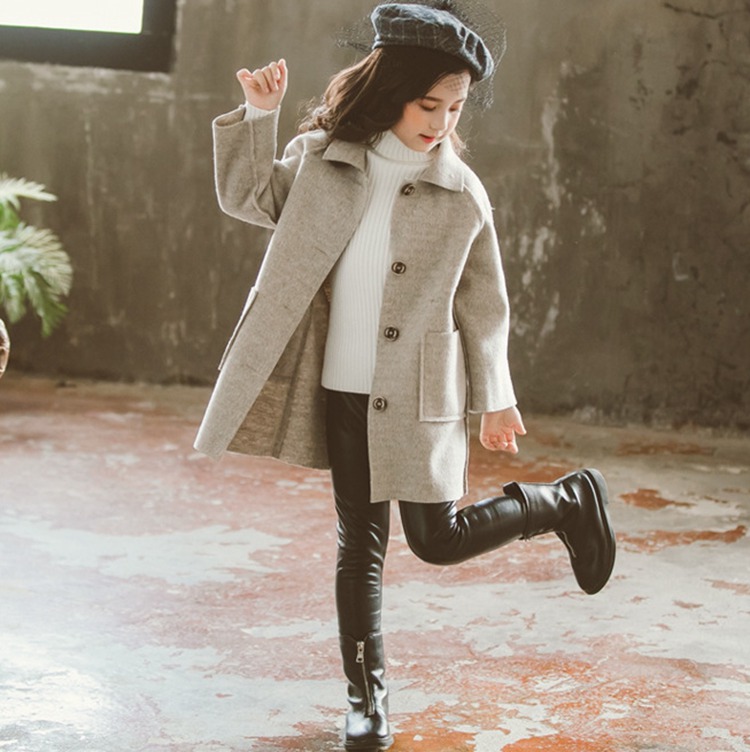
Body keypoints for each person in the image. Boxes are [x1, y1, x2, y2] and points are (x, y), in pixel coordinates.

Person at [195, 3, 616, 749]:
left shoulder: (462, 194)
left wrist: (496, 397)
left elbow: (485, 305)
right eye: (428, 104)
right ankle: (367, 700)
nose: (441, 122)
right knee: (359, 546)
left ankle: (563, 502)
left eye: (455, 108)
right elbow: (248, 198)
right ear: (391, 89)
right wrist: (260, 115)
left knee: (437, 540)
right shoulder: (322, 160)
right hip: (342, 389)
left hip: (422, 394)